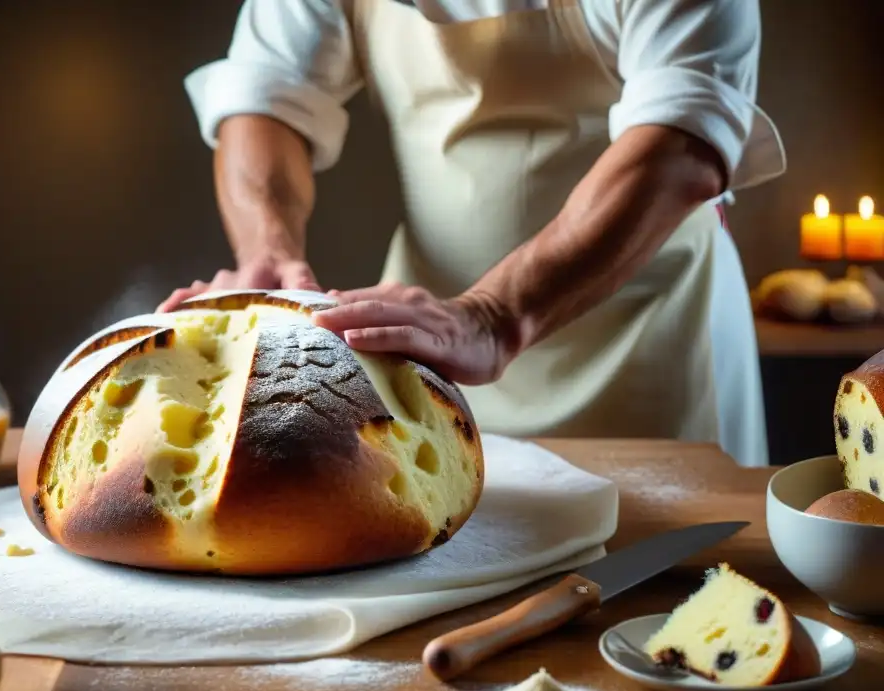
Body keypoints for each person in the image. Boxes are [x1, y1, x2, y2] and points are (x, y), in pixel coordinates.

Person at [159, 0, 786, 467]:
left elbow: (680, 145)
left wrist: (493, 315)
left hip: (652, 342)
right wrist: (268, 253)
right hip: (433, 347)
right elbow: (264, 97)